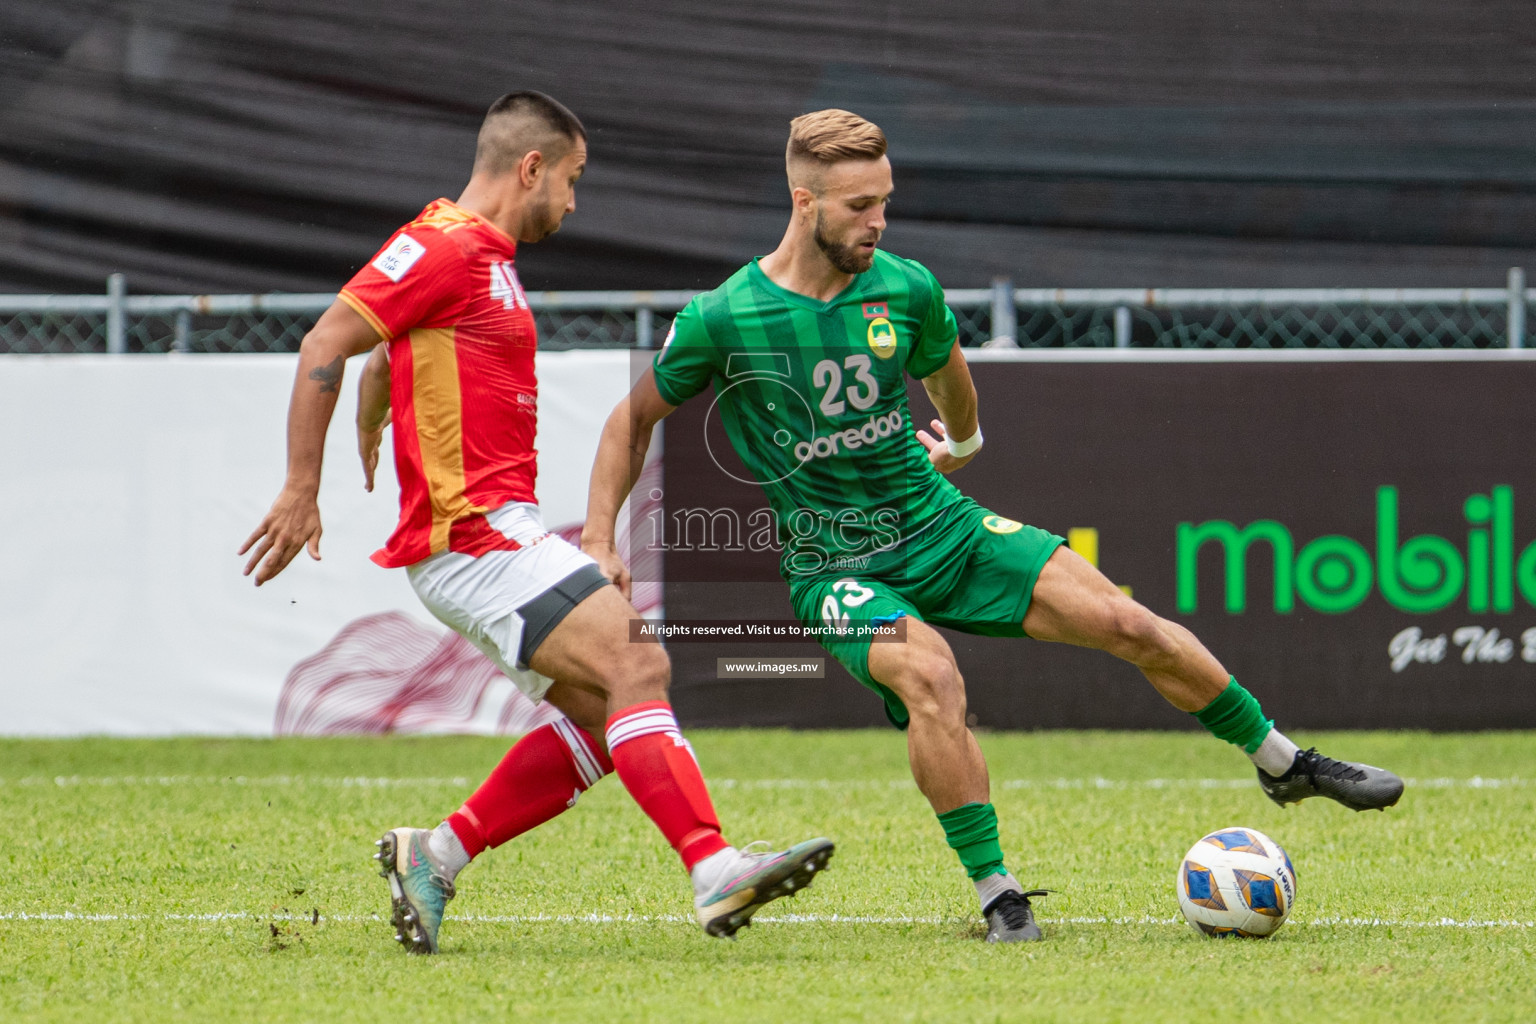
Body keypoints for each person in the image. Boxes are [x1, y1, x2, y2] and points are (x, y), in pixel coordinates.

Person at [580, 108, 1403, 945]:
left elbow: (949, 373)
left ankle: (1286, 765)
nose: (879, 221)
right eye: (861, 204)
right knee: (932, 676)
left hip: (946, 528)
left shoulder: (905, 288)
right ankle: (999, 893)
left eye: (886, 200)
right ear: (804, 202)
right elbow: (630, 420)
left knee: (1128, 622)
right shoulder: (727, 316)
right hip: (836, 568)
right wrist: (602, 541)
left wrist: (964, 444)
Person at [238, 91, 832, 955]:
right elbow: (326, 342)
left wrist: (375, 410)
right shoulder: (442, 243)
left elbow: (385, 345)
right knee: (637, 656)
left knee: (602, 717)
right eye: (573, 179)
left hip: (493, 532)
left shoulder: (484, 256)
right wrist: (302, 486)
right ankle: (713, 870)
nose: (574, 200)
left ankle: (432, 857)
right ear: (531, 168)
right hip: (473, 537)